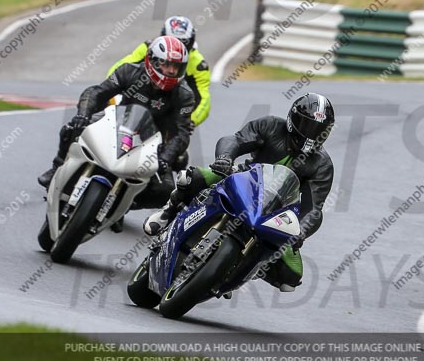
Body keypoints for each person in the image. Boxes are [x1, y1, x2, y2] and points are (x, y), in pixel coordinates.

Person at [144, 93, 335, 292]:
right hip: (244, 179)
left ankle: (246, 268)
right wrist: (225, 159)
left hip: (277, 211)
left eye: (320, 130)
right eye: (308, 126)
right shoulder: (270, 125)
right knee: (192, 178)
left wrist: (301, 231)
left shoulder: (322, 165)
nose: (312, 134)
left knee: (291, 278)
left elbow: (314, 208)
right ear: (293, 119)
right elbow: (236, 140)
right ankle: (168, 211)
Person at [37, 37, 195, 211]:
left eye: (176, 67)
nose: (171, 71)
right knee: (71, 128)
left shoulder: (184, 94)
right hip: (117, 124)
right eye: (167, 64)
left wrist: (165, 158)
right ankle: (57, 168)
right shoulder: (130, 71)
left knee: (166, 187)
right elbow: (96, 92)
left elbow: (182, 132)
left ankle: (126, 202)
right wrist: (83, 114)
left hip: (153, 142)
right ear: (153, 61)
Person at [107, 16, 210, 163]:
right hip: (134, 103)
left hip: (169, 112)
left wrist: (190, 120)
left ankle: (163, 180)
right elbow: (120, 68)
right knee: (86, 124)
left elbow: (204, 98)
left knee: (178, 156)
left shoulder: (199, 64)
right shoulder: (149, 48)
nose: (175, 49)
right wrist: (112, 91)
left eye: (183, 43)